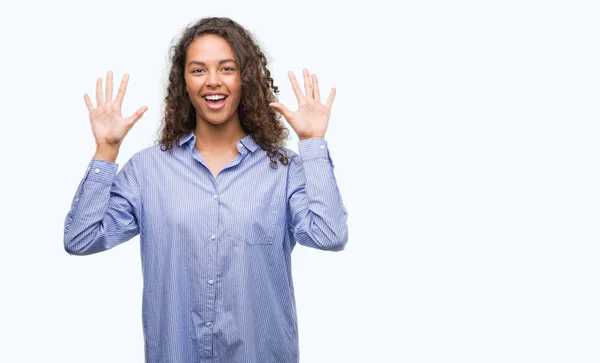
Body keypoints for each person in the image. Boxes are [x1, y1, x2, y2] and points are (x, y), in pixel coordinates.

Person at [63, 16, 348, 363]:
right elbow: (80, 238)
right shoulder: (147, 170)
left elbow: (330, 234)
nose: (213, 81)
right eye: (198, 70)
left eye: (226, 68)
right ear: (183, 82)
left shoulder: (284, 170)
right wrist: (106, 151)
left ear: (244, 79)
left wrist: (312, 143)